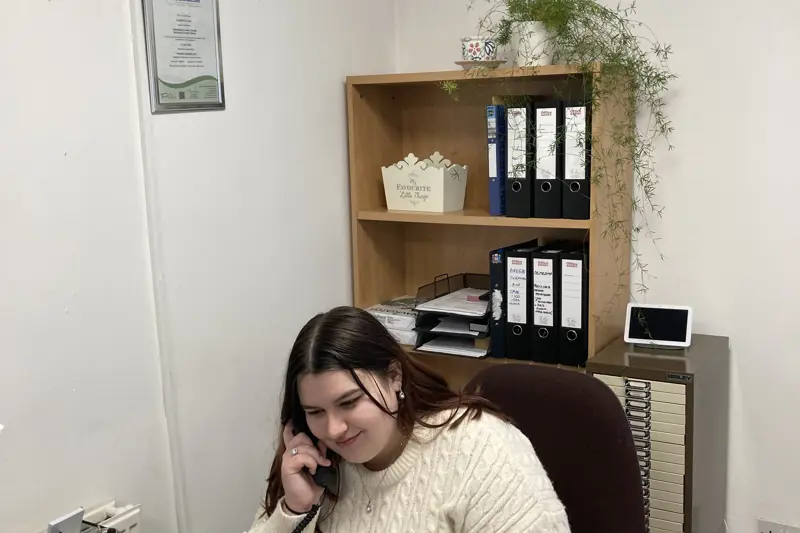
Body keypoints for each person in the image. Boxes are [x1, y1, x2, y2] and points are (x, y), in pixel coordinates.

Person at [248, 306, 571, 533]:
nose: (333, 429)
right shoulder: (314, 462)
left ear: (394, 377)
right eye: (315, 412)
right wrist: (295, 510)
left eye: (349, 402)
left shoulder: (479, 448)